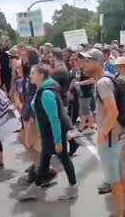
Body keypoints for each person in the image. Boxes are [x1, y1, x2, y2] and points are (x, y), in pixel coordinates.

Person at [80, 49, 125, 217]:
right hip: (117, 135)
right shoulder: (108, 78)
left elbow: (113, 112)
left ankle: (119, 213)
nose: (84, 64)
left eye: (87, 60)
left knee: (114, 178)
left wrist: (101, 133)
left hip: (110, 137)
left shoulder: (102, 83)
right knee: (121, 172)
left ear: (98, 62)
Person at [20, 64, 78, 201]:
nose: (30, 75)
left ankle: (73, 188)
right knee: (45, 161)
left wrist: (58, 141)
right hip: (47, 134)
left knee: (64, 160)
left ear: (41, 75)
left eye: (33, 73)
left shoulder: (46, 93)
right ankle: (35, 188)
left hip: (53, 134)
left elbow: (54, 119)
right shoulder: (42, 89)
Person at [72, 54, 95, 135]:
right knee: (86, 110)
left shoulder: (87, 69)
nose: (75, 61)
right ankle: (91, 126)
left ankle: (81, 129)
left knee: (84, 111)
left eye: (77, 59)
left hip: (86, 92)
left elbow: (92, 80)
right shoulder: (80, 69)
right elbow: (76, 79)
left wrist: (80, 83)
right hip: (81, 93)